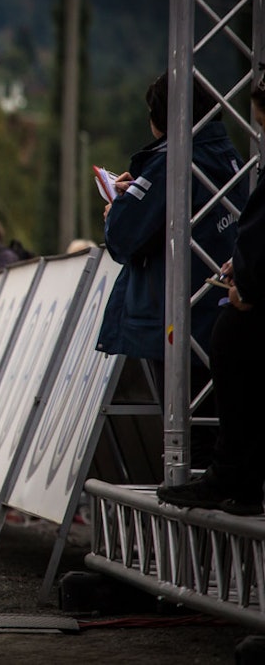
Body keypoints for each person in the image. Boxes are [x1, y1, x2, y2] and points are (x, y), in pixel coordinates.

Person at [96, 73, 246, 464]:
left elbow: (124, 237)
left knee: (191, 435)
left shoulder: (170, 162)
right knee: (225, 425)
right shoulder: (232, 154)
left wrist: (119, 210)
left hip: (179, 314)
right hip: (225, 304)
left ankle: (196, 493)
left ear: (161, 116)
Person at [157, 79, 265, 515]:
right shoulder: (231, 156)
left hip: (246, 301)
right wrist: (243, 265)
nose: (260, 130)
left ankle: (233, 477)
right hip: (244, 283)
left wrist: (251, 282)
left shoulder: (181, 159)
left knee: (236, 365)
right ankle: (239, 480)